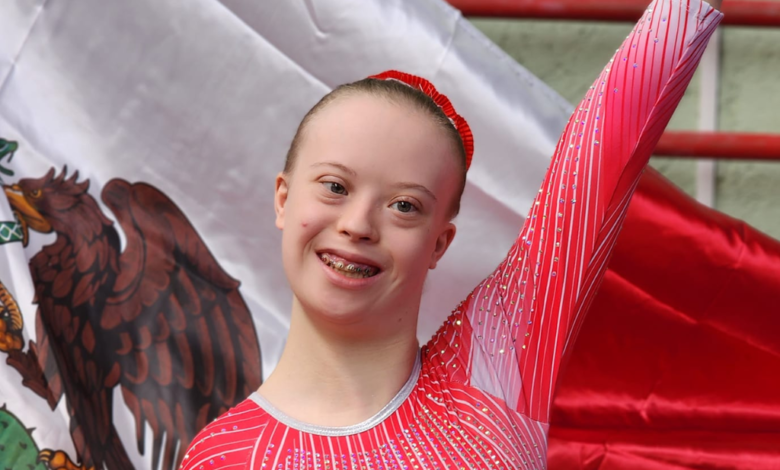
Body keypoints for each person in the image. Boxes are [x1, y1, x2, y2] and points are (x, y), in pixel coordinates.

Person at [180, 0, 723, 468]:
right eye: (335, 187)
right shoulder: (222, 456)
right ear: (283, 198)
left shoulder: (495, 366)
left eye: (404, 205)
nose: (357, 225)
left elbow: (601, 157)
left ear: (439, 243)